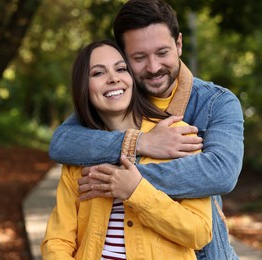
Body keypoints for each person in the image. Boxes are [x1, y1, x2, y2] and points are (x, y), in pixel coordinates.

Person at [49, 0, 244, 259]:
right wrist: (140, 143)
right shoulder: (115, 95)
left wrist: (130, 182)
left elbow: (220, 173)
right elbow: (63, 142)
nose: (153, 68)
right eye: (139, 57)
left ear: (179, 44)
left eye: (162, 52)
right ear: (124, 57)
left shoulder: (215, 102)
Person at [41, 40, 212, 259]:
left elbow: (199, 233)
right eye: (98, 73)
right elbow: (57, 240)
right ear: (84, 87)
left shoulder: (176, 137)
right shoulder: (80, 153)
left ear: (132, 79)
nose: (113, 78)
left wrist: (136, 192)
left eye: (121, 69)